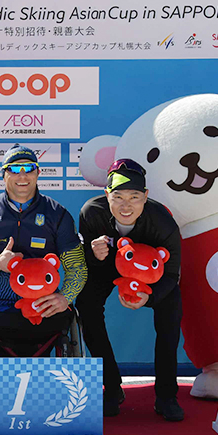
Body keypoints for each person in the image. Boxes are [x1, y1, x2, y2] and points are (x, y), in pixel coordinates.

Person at [76, 158, 184, 420]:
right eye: (119, 197)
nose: (126, 205)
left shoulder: (163, 223)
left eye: (135, 197)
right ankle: (112, 388)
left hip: (152, 270)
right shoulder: (91, 212)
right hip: (109, 266)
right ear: (106, 195)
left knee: (170, 314)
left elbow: (171, 276)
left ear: (146, 196)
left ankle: (166, 396)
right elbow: (82, 260)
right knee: (87, 306)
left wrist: (150, 297)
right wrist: (92, 253)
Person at [0, 143, 87, 355]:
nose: (22, 176)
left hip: (45, 308)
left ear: (38, 173)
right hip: (0, 310)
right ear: (4, 175)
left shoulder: (57, 213)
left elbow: (77, 267)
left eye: (28, 168)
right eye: (14, 169)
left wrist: (65, 297)